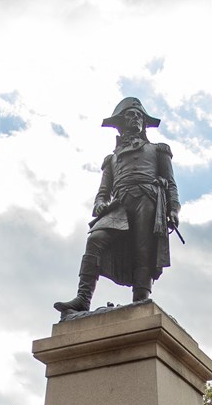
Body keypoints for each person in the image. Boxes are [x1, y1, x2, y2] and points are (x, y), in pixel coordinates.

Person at [54, 97, 180, 314]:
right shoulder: (110, 159)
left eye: (139, 116)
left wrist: (174, 210)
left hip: (147, 198)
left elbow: (171, 184)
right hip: (120, 205)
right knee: (95, 239)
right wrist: (100, 203)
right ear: (121, 122)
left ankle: (141, 298)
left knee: (143, 250)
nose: (135, 119)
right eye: (130, 115)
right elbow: (103, 191)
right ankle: (83, 299)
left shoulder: (159, 150)